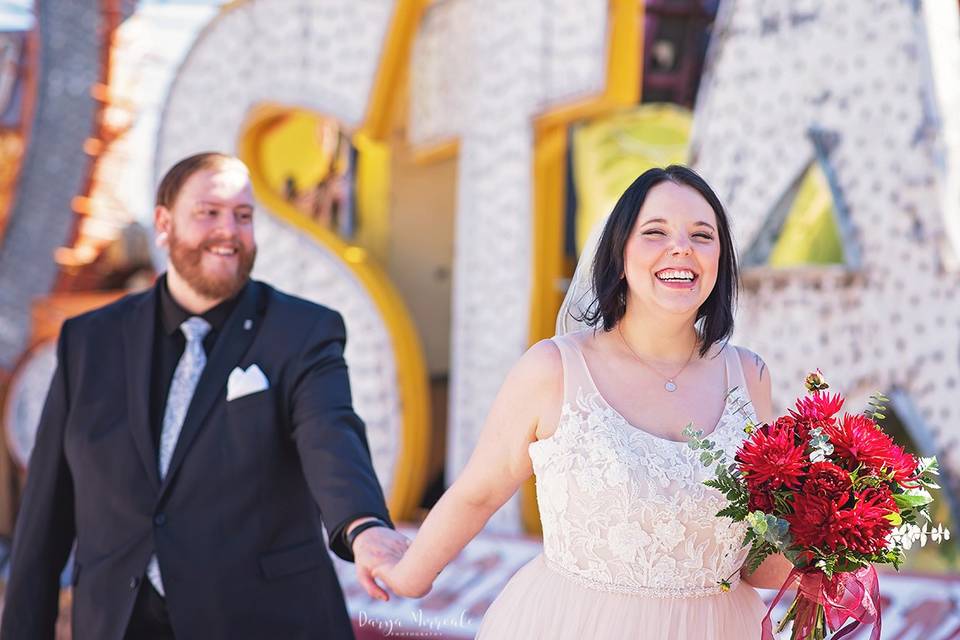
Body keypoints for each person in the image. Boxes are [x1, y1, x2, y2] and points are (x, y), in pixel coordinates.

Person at [374, 165, 794, 638]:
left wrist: (829, 544)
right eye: (655, 232)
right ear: (618, 254)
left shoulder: (749, 376)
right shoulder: (554, 369)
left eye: (703, 235)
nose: (682, 248)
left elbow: (757, 559)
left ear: (720, 259)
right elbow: (479, 492)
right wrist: (407, 576)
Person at [1, 152, 408, 640]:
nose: (229, 231)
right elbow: (45, 515)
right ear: (164, 224)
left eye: (243, 215)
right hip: (118, 620)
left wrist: (362, 525)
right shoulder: (89, 341)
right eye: (208, 212)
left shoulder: (303, 331)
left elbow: (330, 434)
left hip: (260, 621)